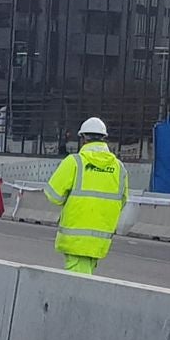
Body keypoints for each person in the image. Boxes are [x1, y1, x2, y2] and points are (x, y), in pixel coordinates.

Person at [45, 117, 130, 276]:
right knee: (87, 276)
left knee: (76, 285)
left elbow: (53, 195)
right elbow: (123, 199)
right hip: (101, 239)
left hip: (75, 238)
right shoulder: (119, 168)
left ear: (83, 139)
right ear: (104, 138)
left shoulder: (75, 162)